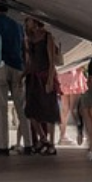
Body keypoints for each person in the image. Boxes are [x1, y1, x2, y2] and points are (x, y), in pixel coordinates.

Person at [0, 1, 26, 156]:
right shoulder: (17, 25)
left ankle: (2, 146)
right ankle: (27, 144)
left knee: (0, 108)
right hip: (17, 66)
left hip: (0, 66)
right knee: (21, 108)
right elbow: (23, 47)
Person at [21, 16, 61, 155]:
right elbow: (29, 62)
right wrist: (22, 76)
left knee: (50, 110)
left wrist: (50, 79)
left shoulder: (46, 36)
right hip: (33, 77)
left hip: (44, 75)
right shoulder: (28, 38)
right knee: (30, 110)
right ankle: (43, 138)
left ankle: (52, 143)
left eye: (29, 20)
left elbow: (51, 61)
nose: (27, 23)